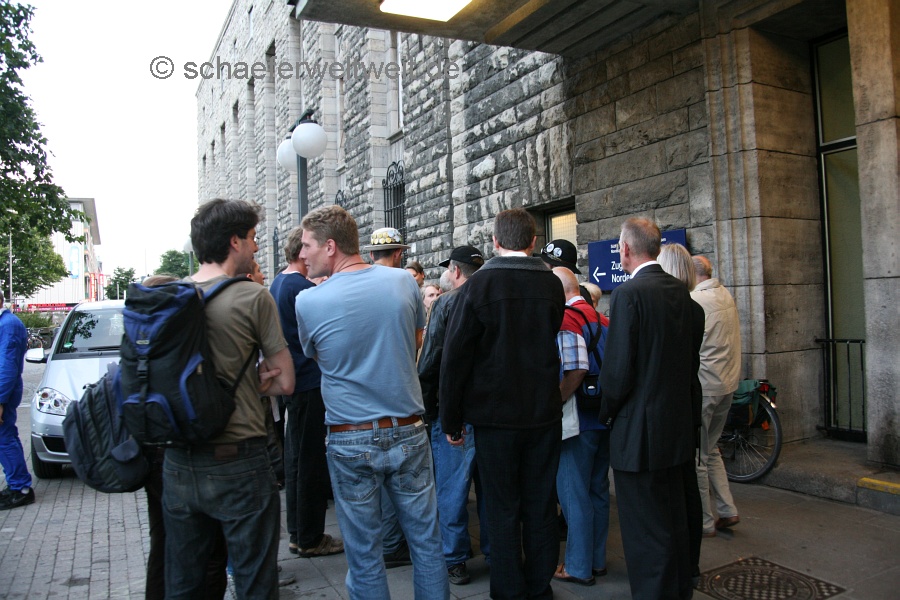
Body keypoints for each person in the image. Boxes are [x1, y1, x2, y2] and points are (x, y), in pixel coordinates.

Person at [294, 205, 448, 600]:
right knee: (427, 544)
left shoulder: (309, 301)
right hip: (408, 428)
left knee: (364, 555)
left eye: (307, 245)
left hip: (350, 436)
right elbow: (414, 341)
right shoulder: (403, 282)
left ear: (330, 246)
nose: (302, 253)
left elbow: (320, 358)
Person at [163, 199, 295, 600]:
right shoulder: (252, 296)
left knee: (187, 583)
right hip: (238, 460)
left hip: (178, 461)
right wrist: (253, 383)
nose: (256, 247)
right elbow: (286, 381)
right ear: (234, 242)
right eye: (252, 238)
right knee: (255, 581)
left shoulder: (169, 295)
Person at [440, 208, 565, 600]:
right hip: (542, 413)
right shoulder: (552, 285)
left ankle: (510, 590)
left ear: (495, 241)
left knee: (501, 506)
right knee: (541, 503)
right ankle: (539, 585)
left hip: (496, 418)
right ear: (533, 241)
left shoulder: (478, 287)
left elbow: (455, 358)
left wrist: (451, 420)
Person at [598, 219, 703, 600]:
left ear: (626, 249)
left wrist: (606, 412)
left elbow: (618, 370)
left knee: (645, 530)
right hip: (678, 428)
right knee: (674, 518)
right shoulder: (686, 299)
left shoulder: (629, 295)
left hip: (638, 435)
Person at [268, 227, 343, 558]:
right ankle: (310, 537)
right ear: (302, 251)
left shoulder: (279, 282)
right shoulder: (299, 287)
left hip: (295, 383)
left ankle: (300, 534)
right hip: (307, 382)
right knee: (309, 461)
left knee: (298, 459)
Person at [417, 245, 489, 586]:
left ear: (456, 272)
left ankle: (455, 558)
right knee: (490, 490)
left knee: (452, 490)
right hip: (490, 411)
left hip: (454, 412)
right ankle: (495, 551)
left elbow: (430, 361)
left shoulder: (446, 303)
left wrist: (429, 409)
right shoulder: (492, 298)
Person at [551, 267, 610, 588]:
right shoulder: (602, 318)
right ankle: (596, 560)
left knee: (573, 494)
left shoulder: (567, 318)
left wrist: (554, 402)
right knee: (598, 490)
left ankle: (577, 565)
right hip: (603, 417)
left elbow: (575, 369)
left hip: (577, 420)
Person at [657, 243, 706, 584]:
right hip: (688, 405)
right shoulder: (695, 310)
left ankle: (676, 566)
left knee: (670, 491)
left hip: (666, 410)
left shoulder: (665, 309)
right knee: (688, 486)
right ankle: (691, 564)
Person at [691, 255, 742, 536]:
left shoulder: (696, 300)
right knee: (711, 450)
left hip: (706, 385)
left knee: (698, 455)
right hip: (727, 383)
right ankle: (727, 508)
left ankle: (704, 521)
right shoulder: (725, 295)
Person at [0, 289, 34, 511]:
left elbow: (7, 366)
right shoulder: (6, 324)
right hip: (4, 391)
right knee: (5, 437)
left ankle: (20, 488)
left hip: (4, 392)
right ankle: (16, 484)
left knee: (4, 438)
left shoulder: (8, 325)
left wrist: (0, 400)